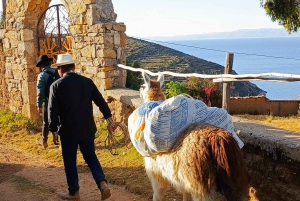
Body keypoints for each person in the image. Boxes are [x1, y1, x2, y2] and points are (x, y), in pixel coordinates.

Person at [48, 53, 116, 200]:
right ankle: (102, 184)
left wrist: (53, 131)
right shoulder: (87, 82)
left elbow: (52, 111)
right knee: (91, 157)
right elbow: (100, 102)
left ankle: (74, 192)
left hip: (68, 131)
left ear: (60, 69)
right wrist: (110, 119)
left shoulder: (56, 85)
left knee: (70, 160)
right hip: (87, 128)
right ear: (73, 67)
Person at [36, 55, 60, 148]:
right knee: (58, 119)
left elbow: (40, 91)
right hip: (58, 100)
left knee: (46, 121)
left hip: (47, 101)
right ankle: (56, 137)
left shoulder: (42, 75)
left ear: (41, 65)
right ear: (50, 63)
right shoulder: (56, 72)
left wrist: (39, 105)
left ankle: (44, 140)